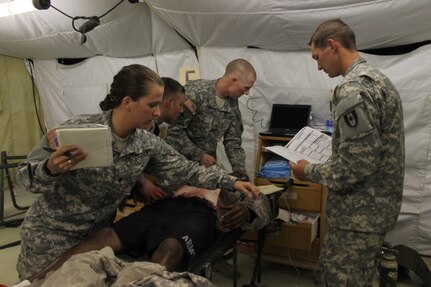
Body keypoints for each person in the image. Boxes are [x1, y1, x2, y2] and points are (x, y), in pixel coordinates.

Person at [16, 64, 260, 280]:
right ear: (127, 102)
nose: (157, 113)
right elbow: (24, 177)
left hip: (95, 239)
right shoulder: (77, 129)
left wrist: (230, 181)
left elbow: (184, 169)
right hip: (50, 239)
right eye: (152, 105)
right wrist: (50, 169)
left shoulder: (146, 143)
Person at [289, 19, 405, 286]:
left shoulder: (353, 89)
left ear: (332, 46)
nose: (318, 66)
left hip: (357, 217)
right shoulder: (380, 81)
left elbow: (356, 165)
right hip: (374, 211)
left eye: (317, 57)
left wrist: (306, 170)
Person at [28, 185, 271, 283]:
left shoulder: (234, 185)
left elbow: (266, 208)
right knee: (104, 236)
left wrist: (246, 212)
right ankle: (35, 282)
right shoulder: (182, 169)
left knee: (170, 248)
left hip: (200, 215)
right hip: (164, 207)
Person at [166, 59, 256, 180]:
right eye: (246, 87)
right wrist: (200, 155)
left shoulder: (232, 104)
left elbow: (233, 141)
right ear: (233, 80)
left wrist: (240, 172)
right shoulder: (195, 93)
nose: (246, 93)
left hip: (206, 170)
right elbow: (174, 132)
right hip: (179, 165)